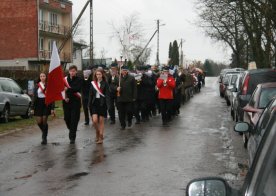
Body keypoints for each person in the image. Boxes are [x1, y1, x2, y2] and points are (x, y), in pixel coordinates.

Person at [31, 72, 55, 145]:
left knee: (44, 120)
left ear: (46, 77)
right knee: (39, 122)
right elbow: (34, 97)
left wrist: (52, 108)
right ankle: (44, 132)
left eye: (43, 76)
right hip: (38, 104)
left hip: (46, 104)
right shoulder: (36, 86)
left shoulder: (49, 86)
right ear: (39, 77)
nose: (42, 77)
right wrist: (32, 107)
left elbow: (52, 97)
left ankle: (44, 137)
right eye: (41, 76)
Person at [88, 68, 110, 144]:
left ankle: (100, 136)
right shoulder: (93, 83)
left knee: (101, 121)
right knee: (94, 121)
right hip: (94, 103)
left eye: (99, 74)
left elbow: (107, 95)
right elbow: (90, 95)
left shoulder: (105, 83)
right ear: (95, 75)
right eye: (97, 74)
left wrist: (108, 105)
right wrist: (89, 104)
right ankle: (97, 132)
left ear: (102, 75)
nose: (98, 76)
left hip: (102, 103)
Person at [63, 65, 82, 144]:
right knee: (67, 118)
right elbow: (61, 89)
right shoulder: (64, 80)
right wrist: (65, 97)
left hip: (75, 102)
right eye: (71, 71)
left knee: (74, 119)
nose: (72, 72)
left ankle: (72, 137)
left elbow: (77, 88)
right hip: (66, 102)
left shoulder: (79, 79)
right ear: (69, 71)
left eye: (74, 71)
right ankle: (71, 129)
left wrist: (68, 89)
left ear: (76, 72)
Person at [116, 65, 137, 130]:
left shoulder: (131, 78)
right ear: (121, 71)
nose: (124, 71)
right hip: (120, 98)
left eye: (125, 70)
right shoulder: (118, 78)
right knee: (121, 113)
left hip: (129, 98)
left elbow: (134, 88)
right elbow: (112, 86)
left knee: (129, 111)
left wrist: (134, 97)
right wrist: (116, 88)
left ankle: (129, 120)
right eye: (123, 70)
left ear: (127, 71)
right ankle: (123, 125)